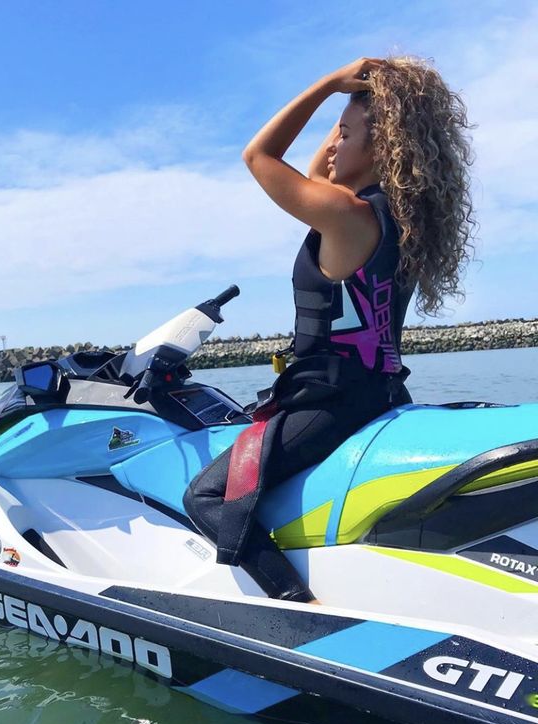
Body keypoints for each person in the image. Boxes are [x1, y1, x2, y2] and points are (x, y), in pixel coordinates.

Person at [183, 56, 475, 603]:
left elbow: (259, 156)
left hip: (328, 400)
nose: (332, 146)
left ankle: (300, 609)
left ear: (383, 146)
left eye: (344, 134)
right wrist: (354, 110)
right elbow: (320, 176)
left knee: (207, 497)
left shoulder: (348, 215)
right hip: (379, 390)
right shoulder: (389, 217)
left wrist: (324, 85)